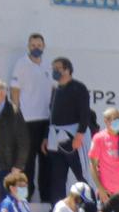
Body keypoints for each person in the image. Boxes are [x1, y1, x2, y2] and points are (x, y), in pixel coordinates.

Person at [41, 57, 95, 203]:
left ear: (67, 69)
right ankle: (56, 211)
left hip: (74, 138)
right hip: (56, 139)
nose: (55, 71)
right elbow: (51, 116)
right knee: (57, 177)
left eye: (58, 68)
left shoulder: (79, 88)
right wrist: (47, 137)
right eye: (53, 68)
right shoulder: (56, 90)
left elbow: (85, 114)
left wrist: (79, 136)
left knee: (82, 175)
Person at [9, 34, 50, 186]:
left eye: (39, 45)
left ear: (44, 46)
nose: (36, 48)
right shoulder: (21, 64)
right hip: (27, 120)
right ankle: (27, 195)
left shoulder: (48, 66)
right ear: (28, 47)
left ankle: (46, 197)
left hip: (45, 120)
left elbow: (52, 91)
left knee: (46, 161)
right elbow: (14, 91)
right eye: (33, 45)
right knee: (28, 161)